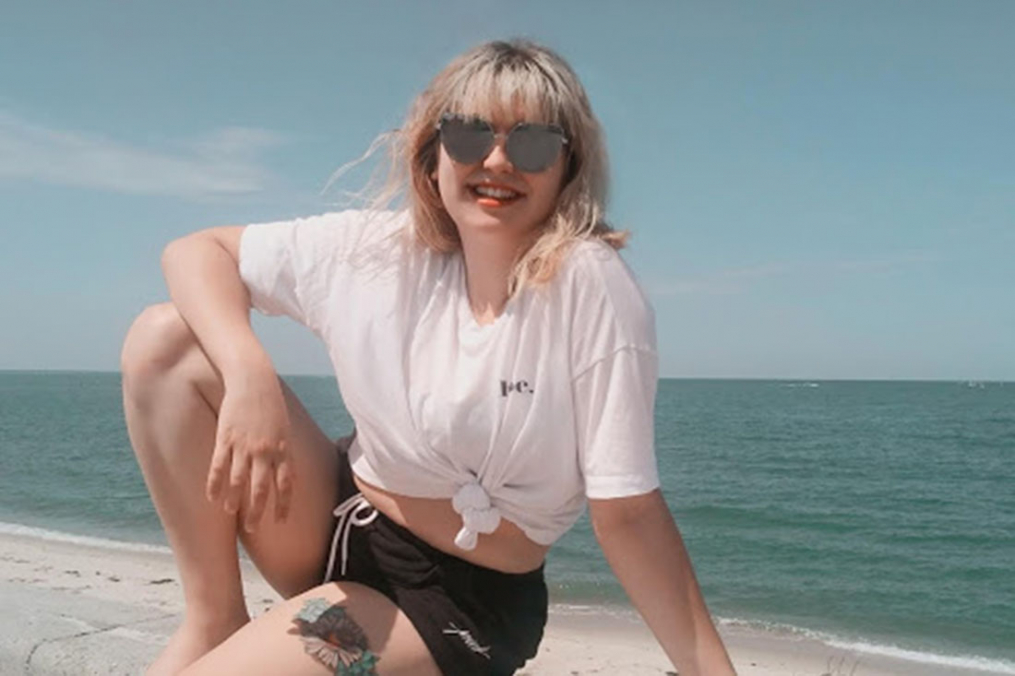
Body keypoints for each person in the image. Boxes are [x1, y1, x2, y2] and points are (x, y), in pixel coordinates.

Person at [120, 38, 737, 676]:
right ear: (433, 150)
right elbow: (195, 253)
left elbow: (628, 515)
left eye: (531, 144)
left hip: (445, 607)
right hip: (327, 521)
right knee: (169, 341)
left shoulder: (588, 285)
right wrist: (249, 373)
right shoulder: (379, 251)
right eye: (470, 136)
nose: (497, 161)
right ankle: (214, 614)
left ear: (567, 165)